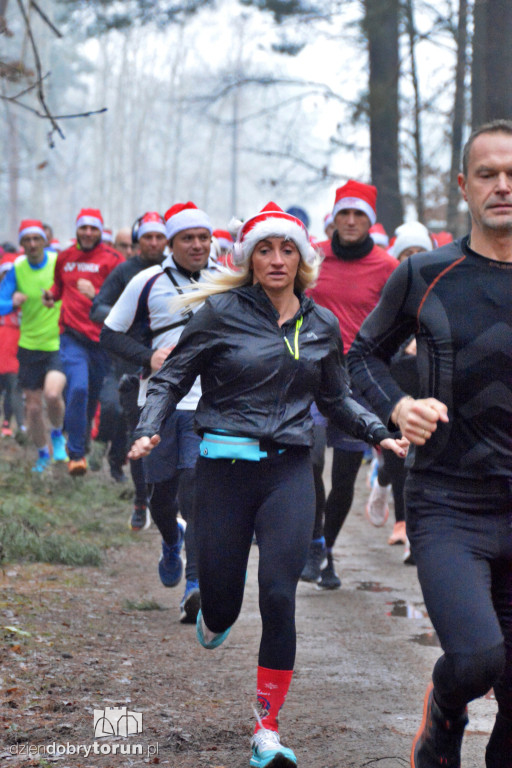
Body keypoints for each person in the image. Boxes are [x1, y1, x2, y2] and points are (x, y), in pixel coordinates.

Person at [128, 202, 407, 768]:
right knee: (225, 607)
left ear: (303, 259)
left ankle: (268, 729)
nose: (276, 259)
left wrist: (379, 432)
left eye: (286, 249)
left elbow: (337, 398)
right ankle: (215, 614)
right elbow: (171, 377)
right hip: (223, 474)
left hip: (288, 470)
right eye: (264, 249)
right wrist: (150, 428)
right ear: (249, 258)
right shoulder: (218, 314)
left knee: (280, 596)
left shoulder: (320, 324)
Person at [347, 120, 512, 768]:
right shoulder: (424, 274)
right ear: (463, 186)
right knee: (474, 659)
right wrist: (399, 404)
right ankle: (445, 710)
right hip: (450, 503)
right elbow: (360, 357)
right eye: (488, 174)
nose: (503, 185)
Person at [101, 202, 214, 623]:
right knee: (161, 497)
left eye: (204, 237)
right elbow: (109, 333)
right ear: (171, 242)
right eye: (188, 238)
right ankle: (170, 541)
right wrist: (148, 358)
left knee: (195, 488)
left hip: (207, 405)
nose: (198, 245)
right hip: (160, 403)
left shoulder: (227, 280)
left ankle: (195, 584)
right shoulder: (147, 281)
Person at [305, 179, 398, 588]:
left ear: (369, 220)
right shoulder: (310, 258)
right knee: (309, 459)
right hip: (308, 373)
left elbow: (404, 318)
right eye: (344, 212)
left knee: (342, 478)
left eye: (359, 213)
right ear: (334, 218)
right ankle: (310, 540)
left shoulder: (388, 268)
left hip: (356, 381)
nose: (351, 220)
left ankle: (325, 550)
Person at [90, 212, 168, 526]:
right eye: (147, 237)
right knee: (138, 434)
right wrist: (132, 311)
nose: (153, 242)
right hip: (130, 365)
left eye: (159, 237)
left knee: (166, 436)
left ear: (167, 239)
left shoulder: (175, 272)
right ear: (137, 240)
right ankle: (139, 500)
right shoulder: (125, 271)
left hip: (171, 368)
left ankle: (164, 499)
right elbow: (98, 309)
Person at [366, 222, 433, 562]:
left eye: (421, 253)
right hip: (394, 385)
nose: (414, 260)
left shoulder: (442, 291)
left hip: (430, 385)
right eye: (408, 254)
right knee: (401, 453)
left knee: (424, 458)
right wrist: (406, 346)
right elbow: (373, 347)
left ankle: (411, 524)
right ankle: (405, 525)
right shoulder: (389, 294)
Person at [42, 208, 124, 476]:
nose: (88, 233)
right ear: (76, 230)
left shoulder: (113, 260)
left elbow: (126, 300)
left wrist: (97, 293)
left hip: (102, 340)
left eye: (93, 228)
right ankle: (75, 454)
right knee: (77, 389)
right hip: (72, 337)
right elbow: (58, 287)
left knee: (91, 400)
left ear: (101, 231)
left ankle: (83, 437)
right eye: (83, 228)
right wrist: (51, 297)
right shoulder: (64, 257)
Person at [0, 220, 66, 472]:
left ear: (45, 241)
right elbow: (1, 302)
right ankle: (42, 454)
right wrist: (13, 302)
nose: (32, 244)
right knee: (34, 408)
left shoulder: (56, 262)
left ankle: (58, 435)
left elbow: (71, 292)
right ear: (22, 244)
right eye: (26, 240)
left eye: (36, 239)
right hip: (28, 346)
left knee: (52, 395)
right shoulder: (17, 268)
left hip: (57, 343)